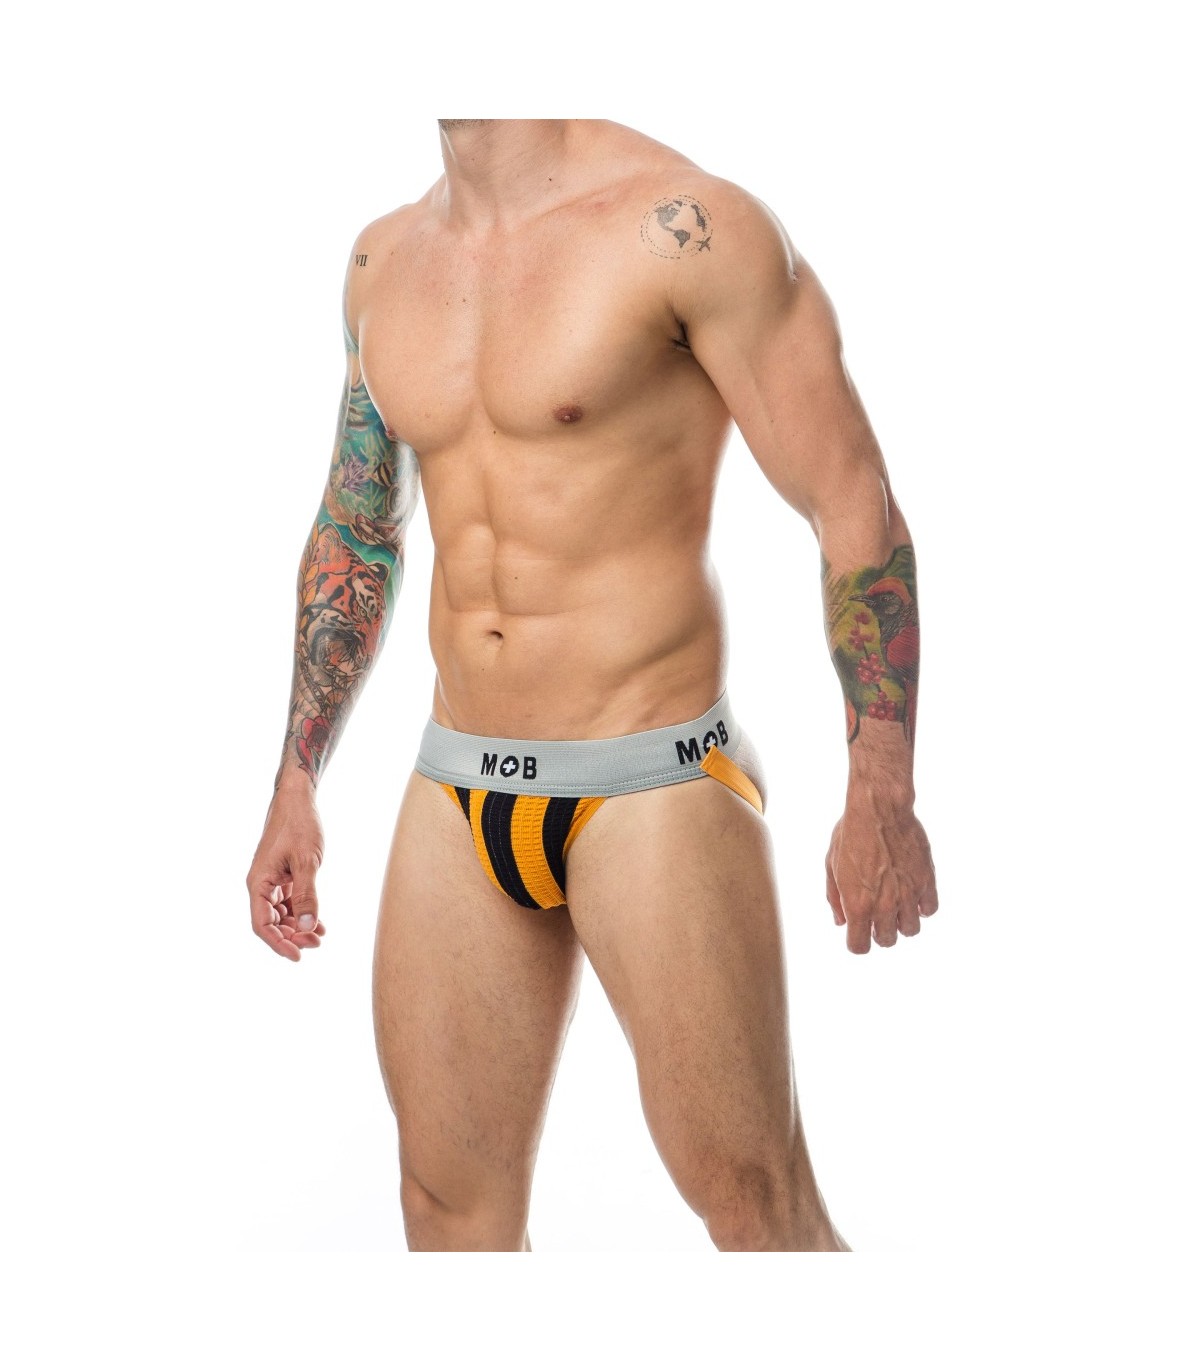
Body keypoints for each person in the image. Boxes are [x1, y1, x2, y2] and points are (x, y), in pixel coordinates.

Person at [245, 118, 938, 1252]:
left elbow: (851, 499)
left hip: (650, 780)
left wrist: (882, 784)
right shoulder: (384, 261)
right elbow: (357, 530)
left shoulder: (688, 230)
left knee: (756, 1213)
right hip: (456, 783)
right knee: (446, 1214)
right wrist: (295, 781)